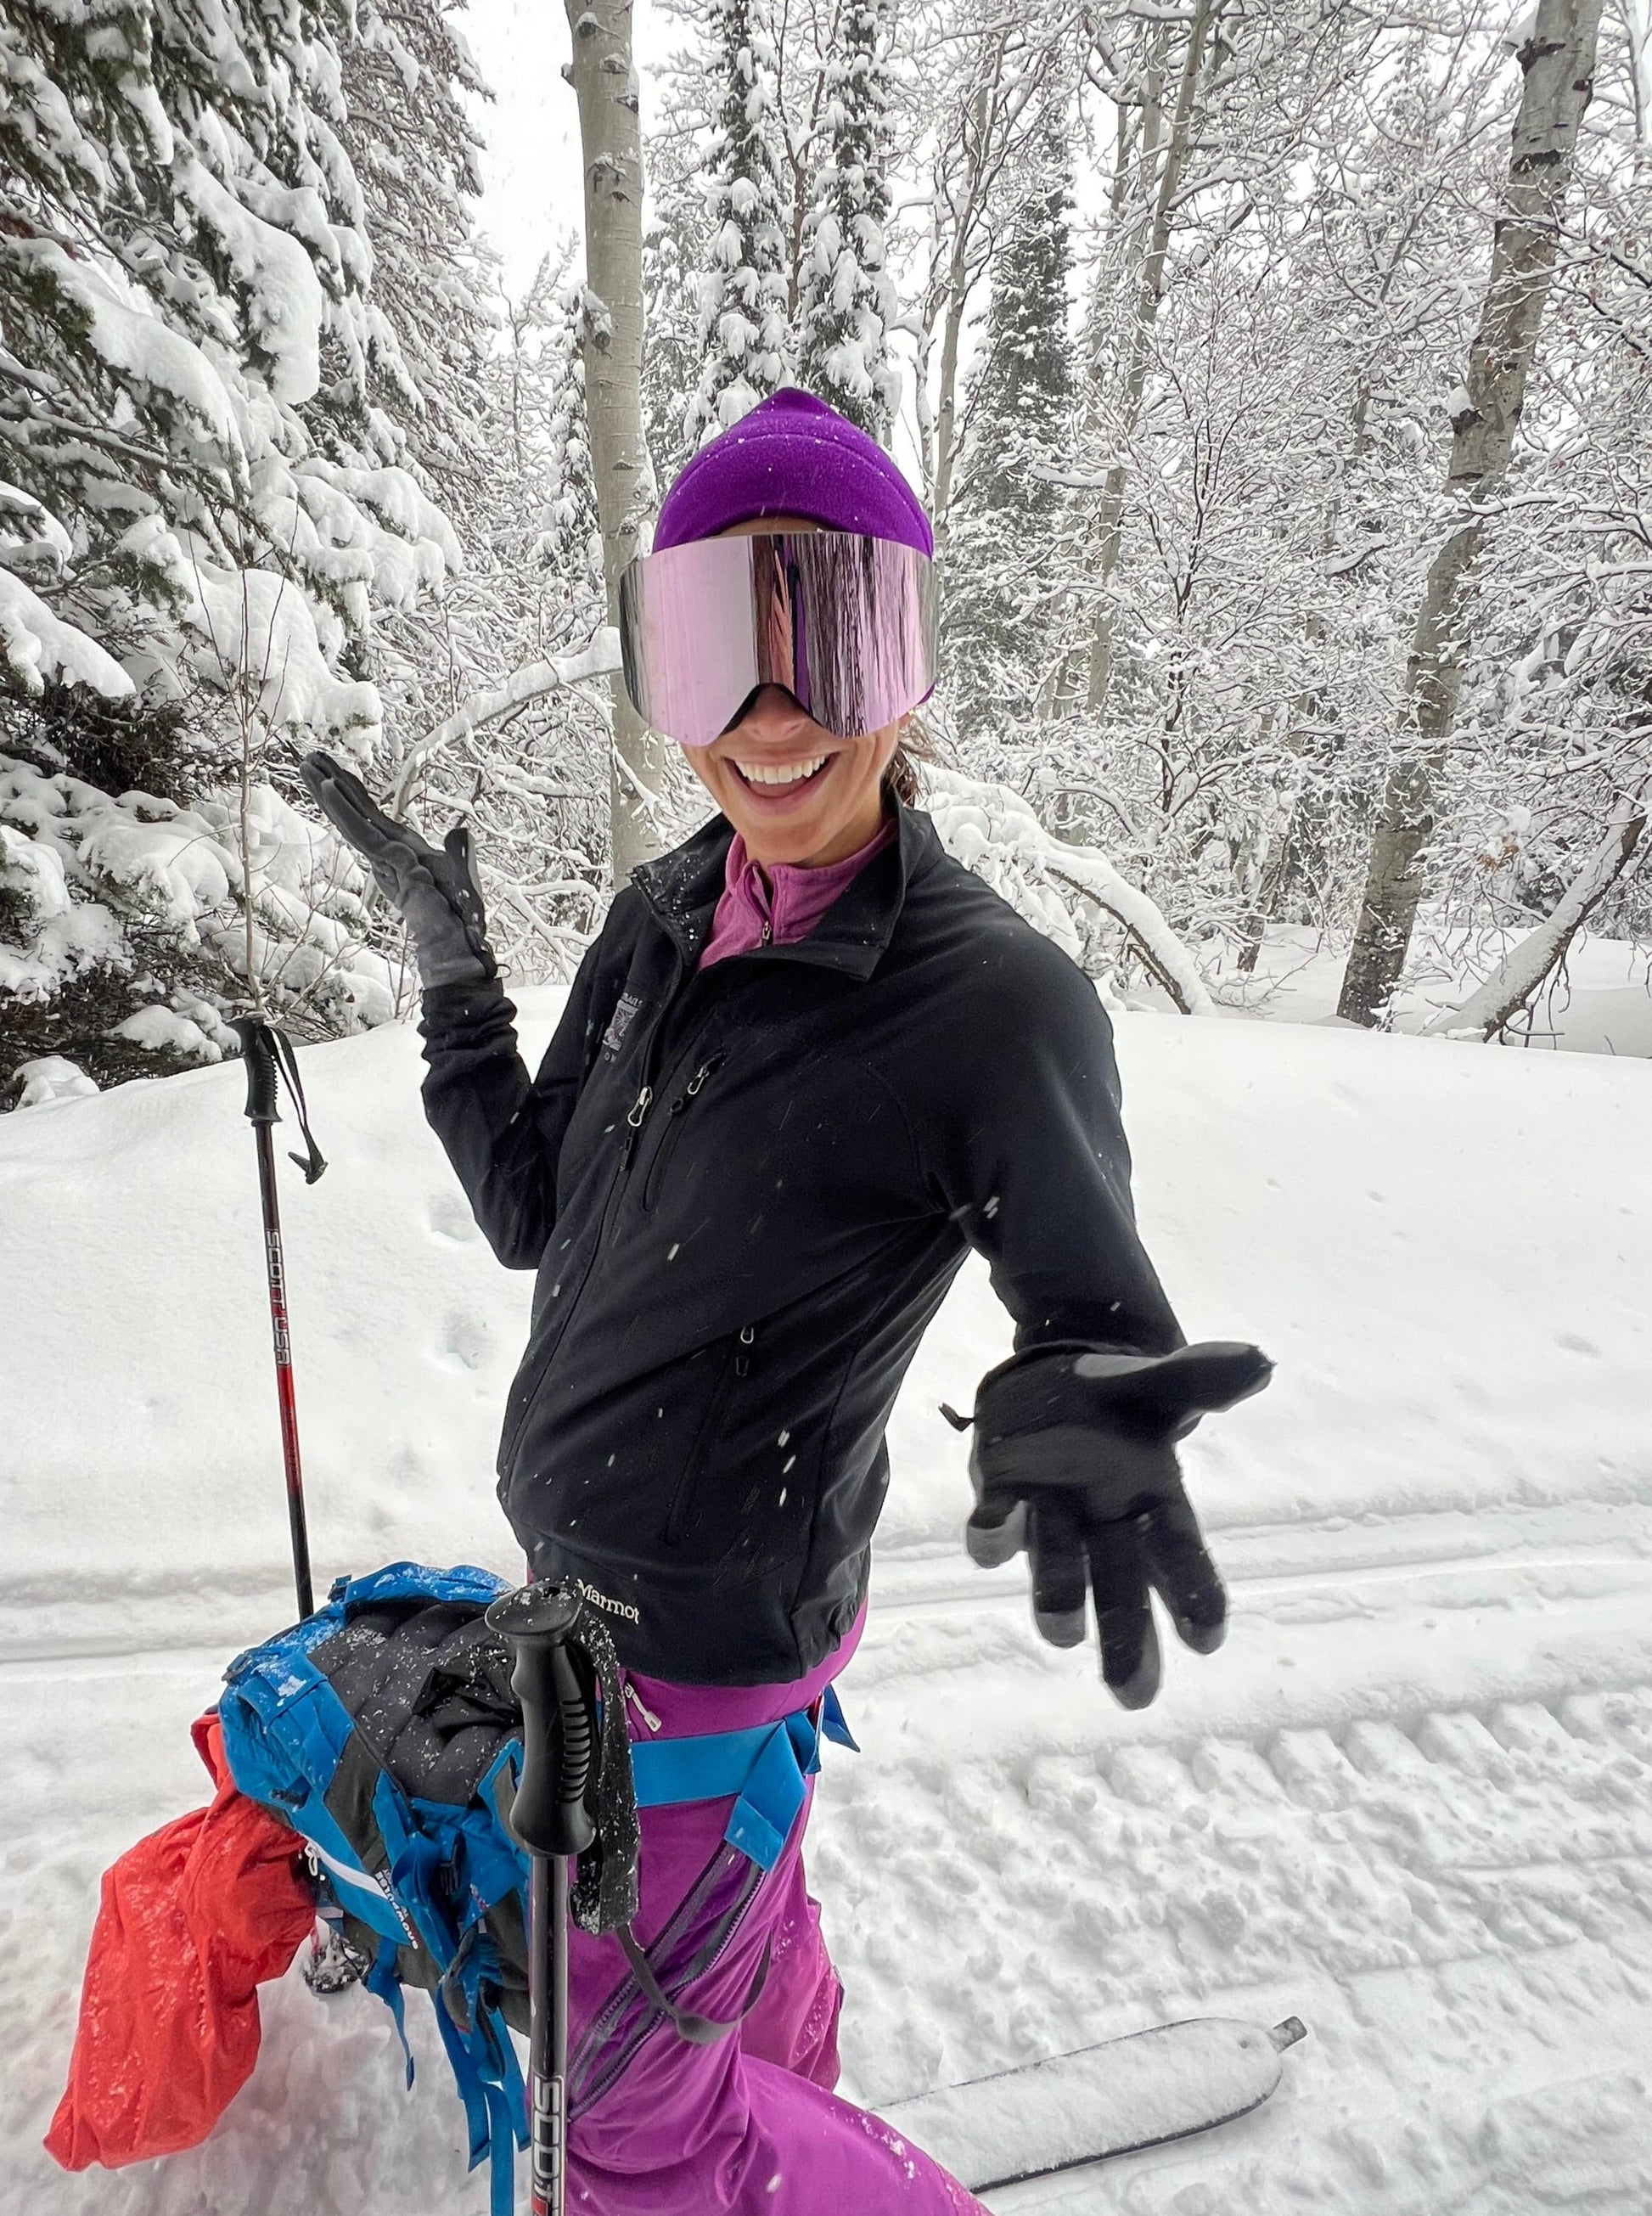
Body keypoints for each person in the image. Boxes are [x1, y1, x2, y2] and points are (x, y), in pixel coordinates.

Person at [302, 387, 1269, 2214]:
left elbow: (1090, 1311)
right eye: (710, 646)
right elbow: (531, 1208)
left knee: (626, 2123)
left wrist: (1079, 1391)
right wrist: (456, 990)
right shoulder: (664, 914)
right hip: (587, 1614)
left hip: (703, 1646)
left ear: (909, 661)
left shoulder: (985, 999)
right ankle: (787, 2086)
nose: (766, 714)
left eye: (823, 632)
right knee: (721, 1976)